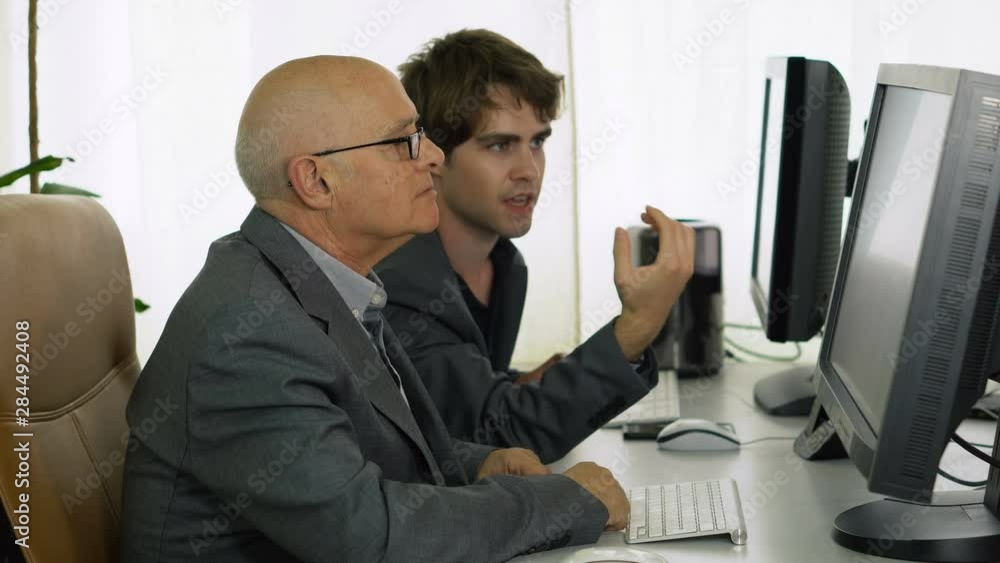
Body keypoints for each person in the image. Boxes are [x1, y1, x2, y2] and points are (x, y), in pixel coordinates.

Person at [119, 55, 633, 563]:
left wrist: (480, 464)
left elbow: (363, 453)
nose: (434, 157)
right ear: (316, 181)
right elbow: (369, 538)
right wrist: (563, 503)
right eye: (403, 142)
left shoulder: (322, 281)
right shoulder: (248, 333)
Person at [376, 29, 696, 463]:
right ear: (432, 158)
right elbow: (498, 436)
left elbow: (460, 407)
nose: (529, 170)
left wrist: (518, 385)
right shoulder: (400, 287)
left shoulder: (505, 265)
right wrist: (637, 325)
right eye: (500, 145)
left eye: (537, 142)